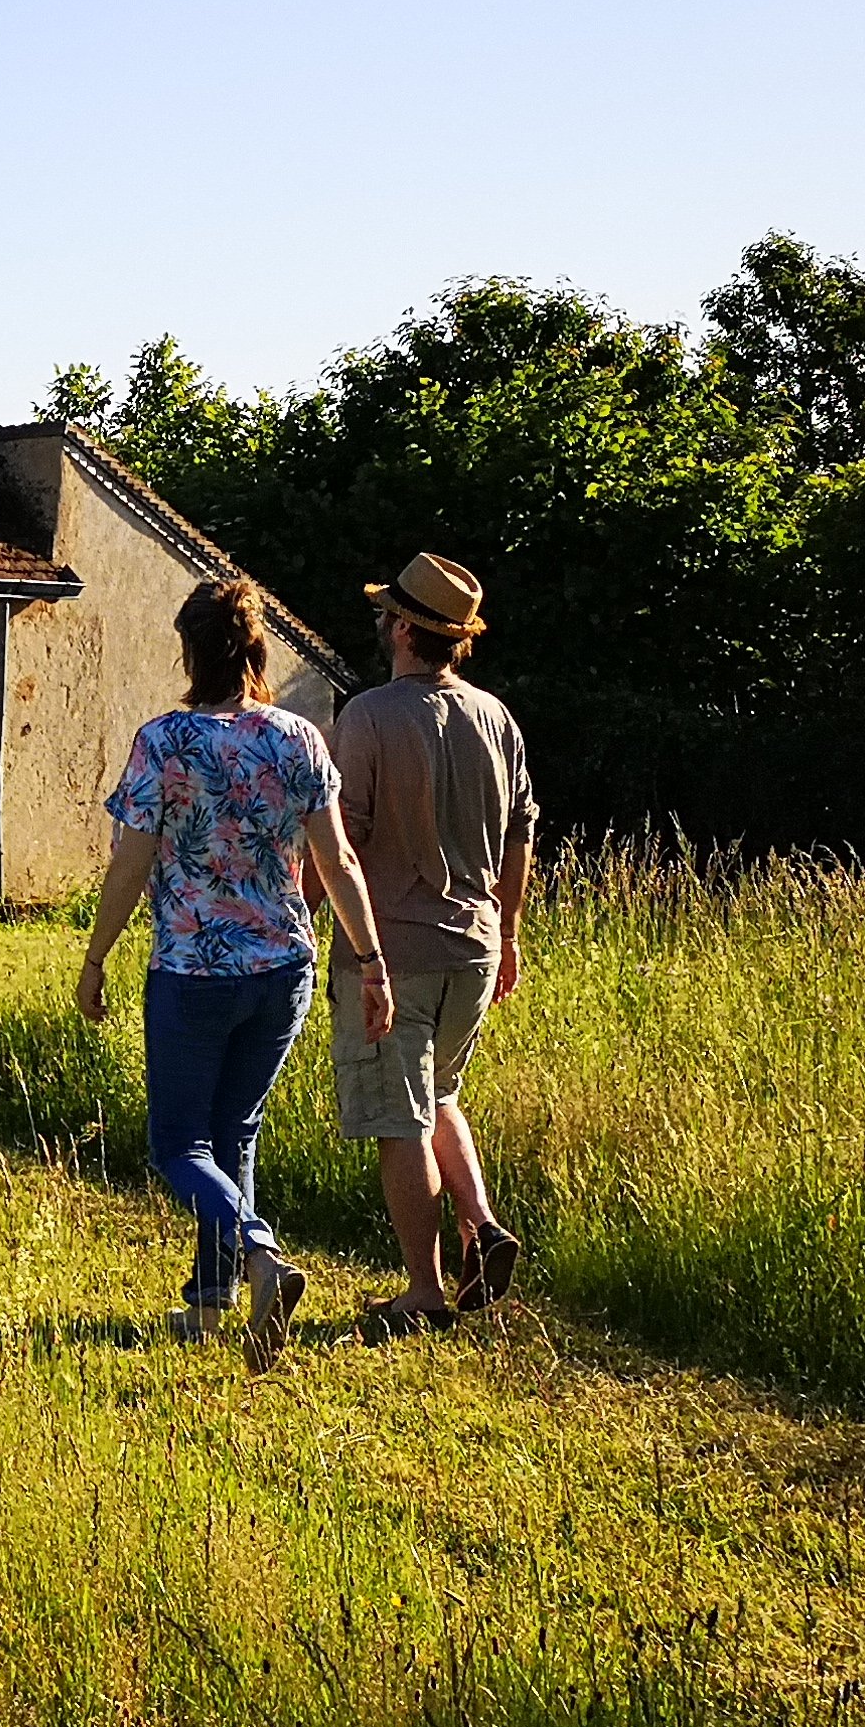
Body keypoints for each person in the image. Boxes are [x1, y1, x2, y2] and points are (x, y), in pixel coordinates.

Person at [77, 577, 396, 1369]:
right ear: (259, 648)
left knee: (179, 1146)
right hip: (282, 965)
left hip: (191, 970)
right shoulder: (298, 739)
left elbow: (131, 861)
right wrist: (372, 960)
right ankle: (214, 1302)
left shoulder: (165, 742)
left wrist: (96, 956)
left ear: (189, 650)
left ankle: (259, 1254)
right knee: (235, 1132)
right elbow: (339, 859)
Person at [327, 550, 536, 1342]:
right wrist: (509, 933)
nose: (382, 622)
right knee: (440, 1093)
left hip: (392, 952)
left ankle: (425, 1289)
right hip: (475, 949)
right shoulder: (497, 717)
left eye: (389, 613)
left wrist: (309, 920)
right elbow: (521, 837)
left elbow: (343, 837)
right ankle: (482, 1225)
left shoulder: (370, 717)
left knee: (399, 1117)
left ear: (406, 628)